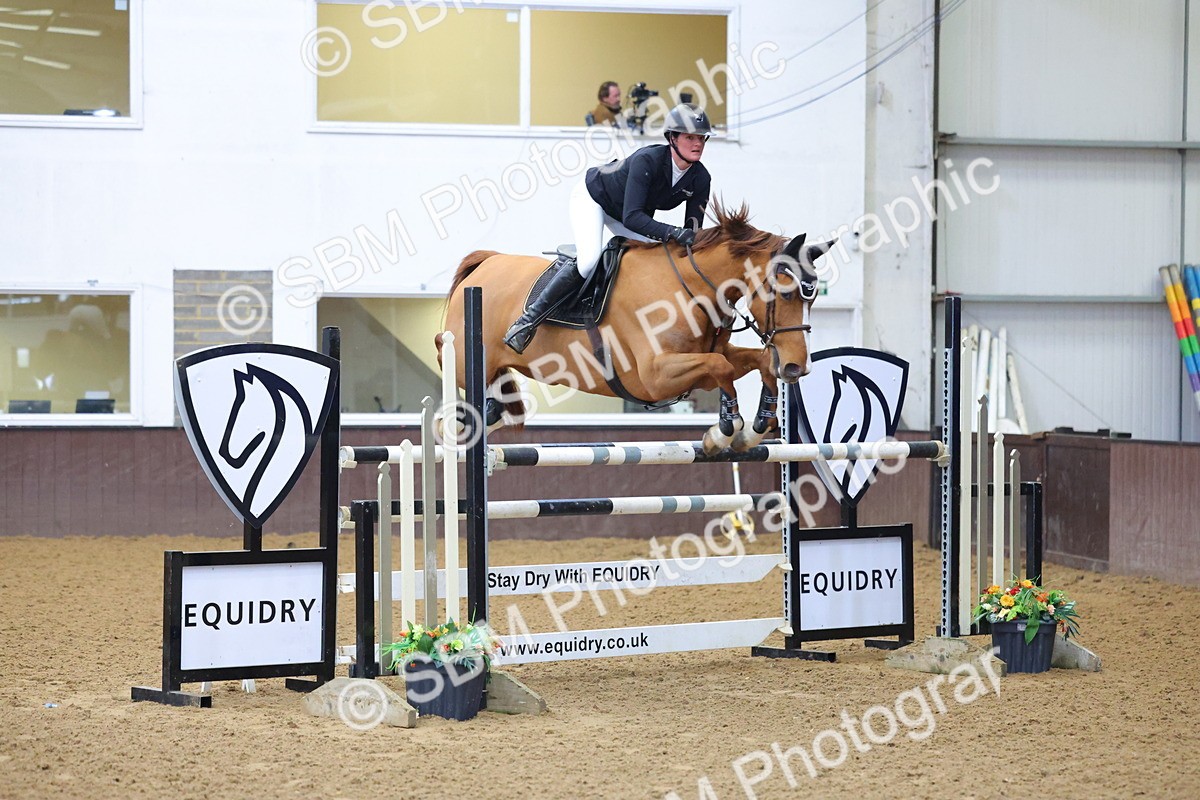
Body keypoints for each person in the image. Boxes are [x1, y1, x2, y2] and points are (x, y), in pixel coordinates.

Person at [504, 103, 713, 353]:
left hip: (625, 214)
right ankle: (526, 322)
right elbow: (633, 218)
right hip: (594, 199)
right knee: (589, 260)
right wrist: (673, 233)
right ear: (672, 138)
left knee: (662, 259)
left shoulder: (701, 178)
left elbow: (692, 232)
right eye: (690, 137)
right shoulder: (647, 161)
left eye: (701, 138)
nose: (697, 144)